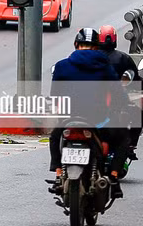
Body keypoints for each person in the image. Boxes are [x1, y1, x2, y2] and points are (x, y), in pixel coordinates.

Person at [49, 27, 132, 198]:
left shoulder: (61, 66)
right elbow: (117, 92)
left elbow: (55, 95)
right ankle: (114, 177)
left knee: (54, 137)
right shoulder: (104, 66)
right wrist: (123, 105)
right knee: (124, 138)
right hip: (99, 121)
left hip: (69, 120)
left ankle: (58, 173)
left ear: (76, 45)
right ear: (96, 47)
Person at [100, 25, 143, 159]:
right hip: (116, 101)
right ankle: (131, 145)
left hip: (93, 101)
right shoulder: (123, 58)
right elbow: (135, 78)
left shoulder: (92, 58)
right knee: (137, 113)